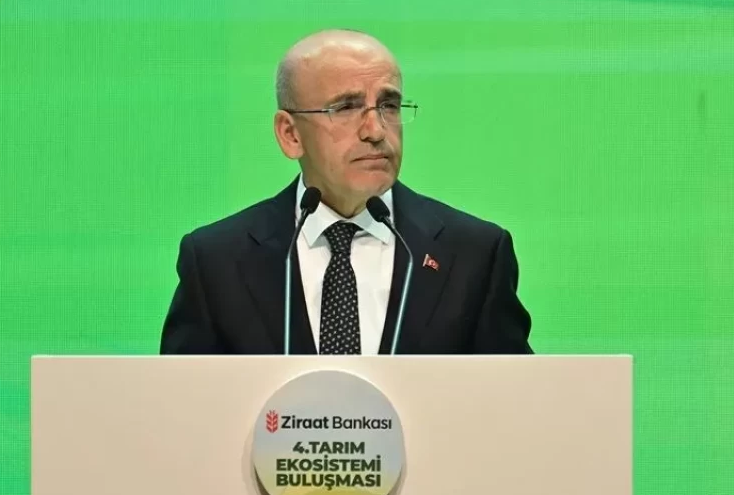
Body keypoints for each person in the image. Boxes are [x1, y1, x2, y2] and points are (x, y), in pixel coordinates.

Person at [159, 30, 532, 355]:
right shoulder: (216, 261)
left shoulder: (475, 254)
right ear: (290, 134)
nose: (376, 130)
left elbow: (514, 400)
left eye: (389, 105)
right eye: (346, 108)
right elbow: (183, 402)